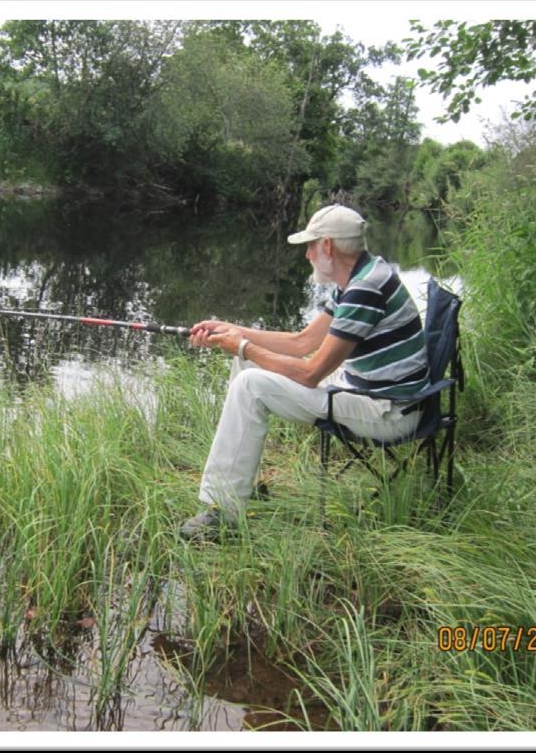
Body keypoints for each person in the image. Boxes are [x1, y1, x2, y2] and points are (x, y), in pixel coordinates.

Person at [180, 204, 430, 541]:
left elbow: (311, 372)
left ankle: (223, 513)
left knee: (250, 382)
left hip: (387, 413)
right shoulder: (361, 277)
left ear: (328, 246)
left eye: (311, 246)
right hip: (372, 393)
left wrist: (241, 345)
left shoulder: (364, 290)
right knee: (249, 365)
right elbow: (302, 342)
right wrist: (231, 330)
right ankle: (240, 486)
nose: (307, 254)